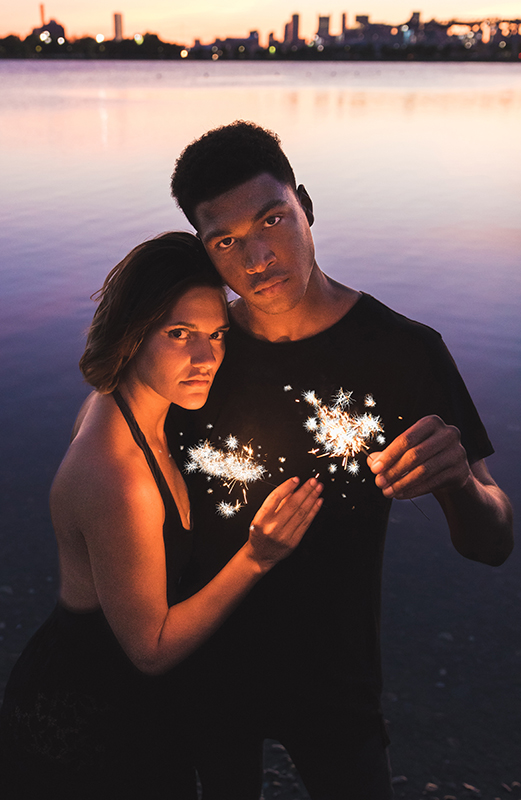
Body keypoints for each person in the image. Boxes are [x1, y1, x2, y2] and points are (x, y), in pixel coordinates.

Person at [168, 122, 514, 800]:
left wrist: (458, 488)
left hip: (335, 676)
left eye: (272, 218)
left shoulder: (404, 352)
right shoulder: (193, 355)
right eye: (226, 240)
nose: (258, 256)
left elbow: (493, 542)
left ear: (306, 205)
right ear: (206, 253)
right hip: (206, 665)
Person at [0, 231, 323, 799]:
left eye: (217, 335)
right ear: (133, 333)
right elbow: (150, 650)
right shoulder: (120, 478)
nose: (207, 359)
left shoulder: (118, 402)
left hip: (94, 685)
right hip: (88, 716)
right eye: (180, 335)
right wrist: (257, 556)